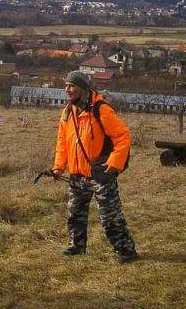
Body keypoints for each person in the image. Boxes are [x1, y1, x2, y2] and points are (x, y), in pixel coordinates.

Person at [52, 71, 139, 263]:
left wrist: (114, 164)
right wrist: (59, 167)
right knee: (75, 215)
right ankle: (77, 247)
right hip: (77, 175)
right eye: (66, 85)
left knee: (110, 218)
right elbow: (62, 142)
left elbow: (123, 136)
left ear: (83, 89)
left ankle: (126, 252)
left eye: (72, 86)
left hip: (101, 174)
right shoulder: (67, 111)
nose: (67, 89)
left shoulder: (101, 109)